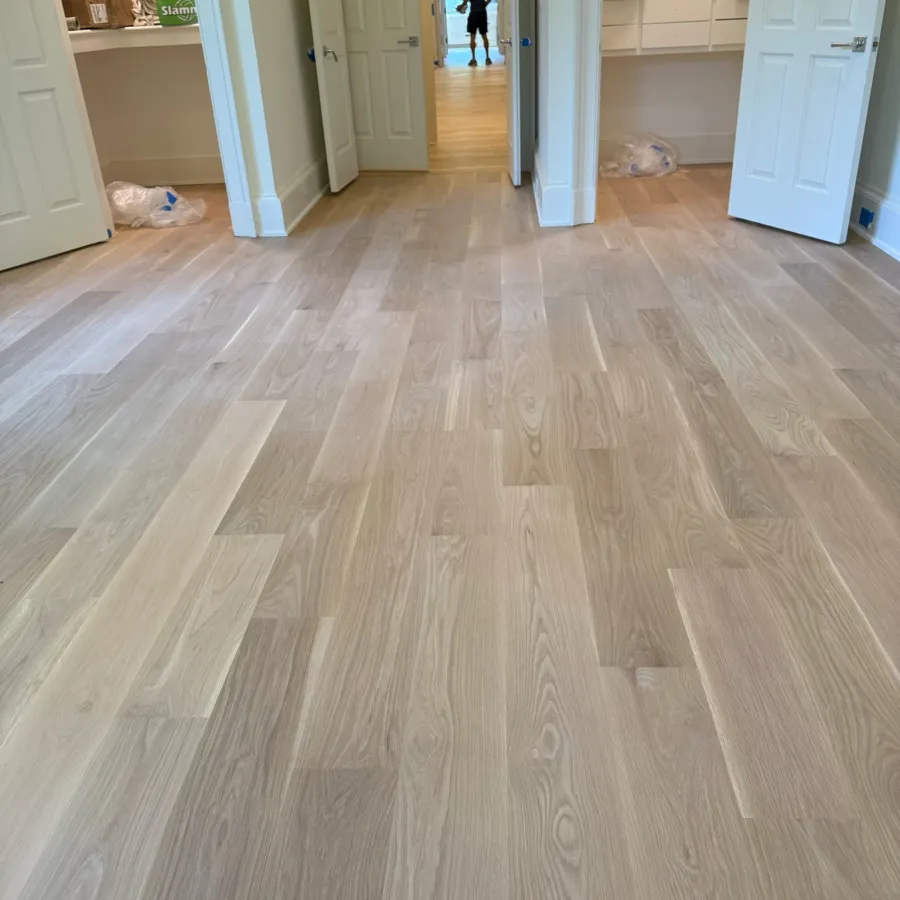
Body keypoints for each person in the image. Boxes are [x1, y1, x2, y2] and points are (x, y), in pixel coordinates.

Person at [457, 0, 492, 67]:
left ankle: (473, 59)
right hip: (482, 13)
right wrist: (484, 4)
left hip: (474, 13)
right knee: (484, 36)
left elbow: (465, 1)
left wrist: (460, 7)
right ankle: (487, 58)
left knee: (472, 37)